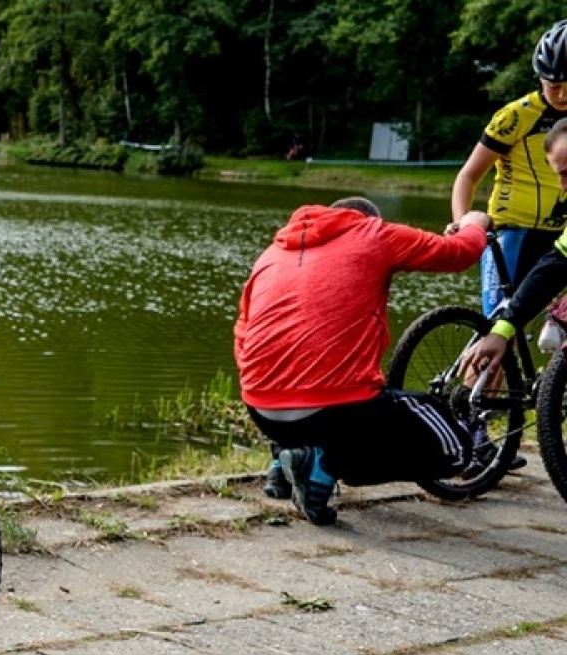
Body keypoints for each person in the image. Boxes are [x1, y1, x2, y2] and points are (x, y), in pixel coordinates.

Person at [233, 197, 490, 526]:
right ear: (369, 218)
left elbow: (242, 335)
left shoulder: (270, 254)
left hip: (261, 408)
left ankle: (289, 455)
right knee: (457, 450)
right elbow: (458, 253)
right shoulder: (374, 233)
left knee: (328, 408)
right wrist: (473, 223)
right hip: (336, 409)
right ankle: (323, 464)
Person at [449, 21, 567, 316]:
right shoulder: (516, 116)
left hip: (559, 235)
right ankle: (482, 363)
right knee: (496, 324)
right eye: (555, 87)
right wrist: (461, 221)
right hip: (512, 232)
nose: (563, 95)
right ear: (540, 78)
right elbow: (469, 175)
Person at [459, 119, 567, 383]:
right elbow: (554, 268)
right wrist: (502, 330)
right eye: (559, 175)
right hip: (514, 230)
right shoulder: (516, 115)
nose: (563, 186)